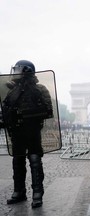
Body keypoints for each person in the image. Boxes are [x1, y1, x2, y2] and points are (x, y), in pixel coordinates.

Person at [1, 60, 53, 208]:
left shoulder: (40, 89)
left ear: (25, 71)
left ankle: (37, 193)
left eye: (17, 70)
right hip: (17, 132)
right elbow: (5, 111)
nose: (14, 73)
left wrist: (23, 114)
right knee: (17, 161)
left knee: (35, 160)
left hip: (32, 131)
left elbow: (48, 111)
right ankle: (19, 191)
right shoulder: (11, 91)